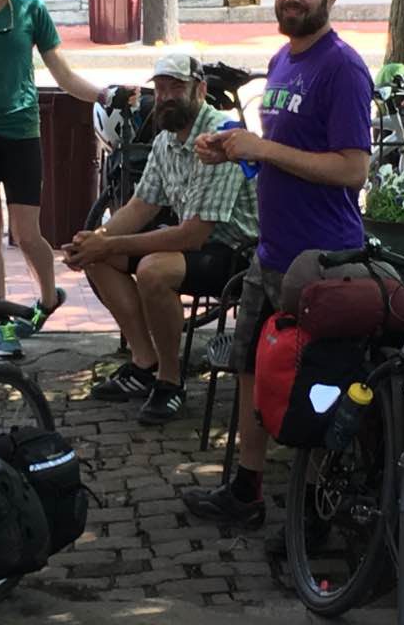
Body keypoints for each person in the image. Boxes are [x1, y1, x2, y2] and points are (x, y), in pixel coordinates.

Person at [182, 0, 373, 531]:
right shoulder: (281, 60)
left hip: (323, 260)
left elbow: (351, 169)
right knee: (249, 368)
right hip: (271, 253)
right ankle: (247, 489)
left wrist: (262, 148)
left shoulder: (343, 69)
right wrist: (233, 150)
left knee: (312, 382)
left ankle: (314, 509)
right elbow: (285, 156)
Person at [0, 0, 133, 358]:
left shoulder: (31, 10)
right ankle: (0, 320)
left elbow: (62, 74)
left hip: (22, 134)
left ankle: (47, 298)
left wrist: (105, 96)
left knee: (28, 233)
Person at [62, 54, 258, 426]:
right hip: (198, 244)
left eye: (176, 88)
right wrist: (96, 240)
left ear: (200, 90)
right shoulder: (166, 138)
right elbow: (141, 205)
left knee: (153, 269)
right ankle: (144, 363)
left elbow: (194, 235)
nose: (165, 97)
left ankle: (171, 381)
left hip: (237, 253)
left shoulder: (221, 136)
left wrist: (111, 244)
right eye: (160, 88)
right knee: (97, 257)